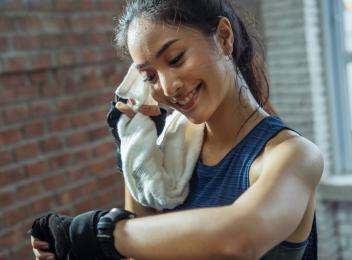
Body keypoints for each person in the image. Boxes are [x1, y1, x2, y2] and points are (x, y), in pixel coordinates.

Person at [31, 0, 324, 259]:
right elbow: (141, 252)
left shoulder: (293, 156)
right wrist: (134, 143)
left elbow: (240, 239)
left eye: (175, 59)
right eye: (150, 76)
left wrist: (102, 234)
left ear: (223, 37)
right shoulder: (171, 151)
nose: (168, 87)